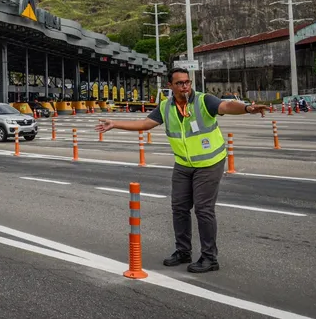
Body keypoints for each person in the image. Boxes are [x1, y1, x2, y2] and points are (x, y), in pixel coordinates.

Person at [94, 68, 269, 273]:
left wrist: (247, 108)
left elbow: (227, 105)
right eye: (179, 83)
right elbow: (145, 123)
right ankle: (183, 251)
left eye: (187, 82)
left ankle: (209, 257)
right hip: (184, 164)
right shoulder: (166, 107)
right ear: (170, 86)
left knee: (203, 209)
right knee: (179, 207)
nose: (185, 86)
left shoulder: (204, 101)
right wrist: (115, 124)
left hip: (209, 163)